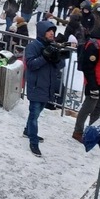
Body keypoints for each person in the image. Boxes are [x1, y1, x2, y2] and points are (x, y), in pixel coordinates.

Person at [23, 21, 68, 157]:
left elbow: (60, 65)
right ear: (42, 32)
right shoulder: (33, 46)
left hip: (47, 86)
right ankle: (33, 141)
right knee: (34, 115)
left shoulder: (52, 45)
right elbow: (31, 64)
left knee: (37, 112)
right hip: (36, 85)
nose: (52, 33)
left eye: (53, 31)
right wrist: (45, 56)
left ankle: (27, 131)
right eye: (49, 31)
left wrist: (57, 57)